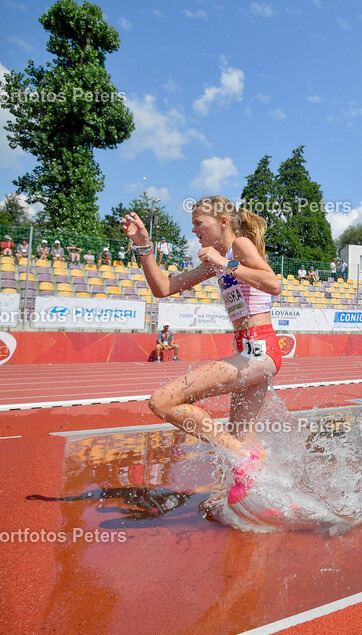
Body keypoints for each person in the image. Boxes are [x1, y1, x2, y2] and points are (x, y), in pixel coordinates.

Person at [122, 195, 283, 509]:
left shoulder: (238, 246)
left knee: (163, 401)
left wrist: (225, 263)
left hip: (259, 350)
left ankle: (243, 459)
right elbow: (164, 289)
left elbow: (272, 283)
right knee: (239, 442)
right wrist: (144, 248)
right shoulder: (217, 259)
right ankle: (271, 500)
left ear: (222, 222)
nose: (194, 229)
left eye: (199, 223)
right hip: (250, 351)